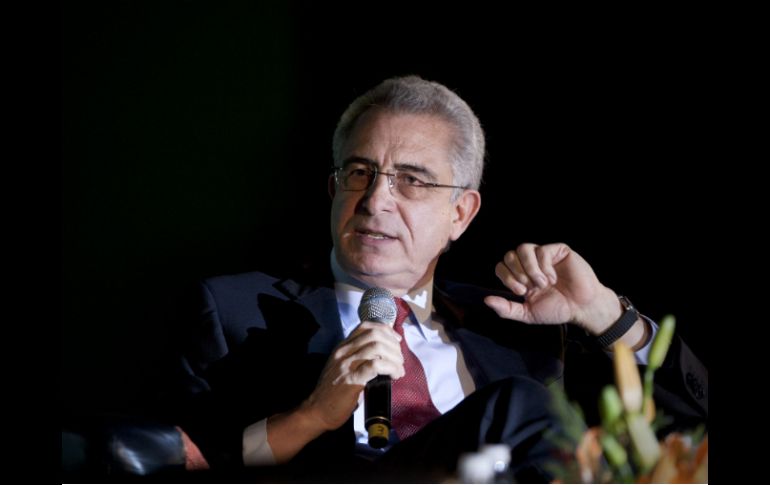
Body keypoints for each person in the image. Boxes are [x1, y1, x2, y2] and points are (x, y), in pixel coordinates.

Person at [169, 76, 707, 482]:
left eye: (411, 181)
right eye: (360, 173)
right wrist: (310, 416)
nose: (375, 201)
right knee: (516, 404)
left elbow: (689, 437)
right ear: (334, 190)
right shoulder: (231, 309)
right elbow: (180, 463)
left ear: (461, 214)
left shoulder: (514, 331)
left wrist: (604, 315)